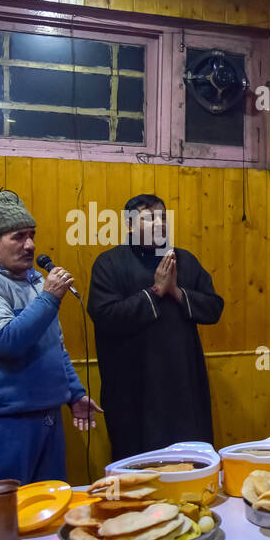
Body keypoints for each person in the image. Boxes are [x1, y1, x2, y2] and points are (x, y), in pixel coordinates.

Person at [0, 191, 102, 483]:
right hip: (5, 423)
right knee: (9, 517)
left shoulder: (35, 283)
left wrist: (74, 394)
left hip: (49, 417)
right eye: (18, 236)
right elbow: (9, 341)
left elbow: (54, 347)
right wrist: (48, 299)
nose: (30, 245)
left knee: (51, 513)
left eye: (31, 235)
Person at [87, 194, 224, 461]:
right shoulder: (110, 263)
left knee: (189, 458)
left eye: (163, 217)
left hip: (183, 383)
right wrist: (155, 291)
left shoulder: (183, 260)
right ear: (129, 225)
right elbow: (105, 315)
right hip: (134, 386)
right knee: (140, 461)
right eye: (149, 218)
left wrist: (175, 292)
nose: (159, 224)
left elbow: (214, 308)